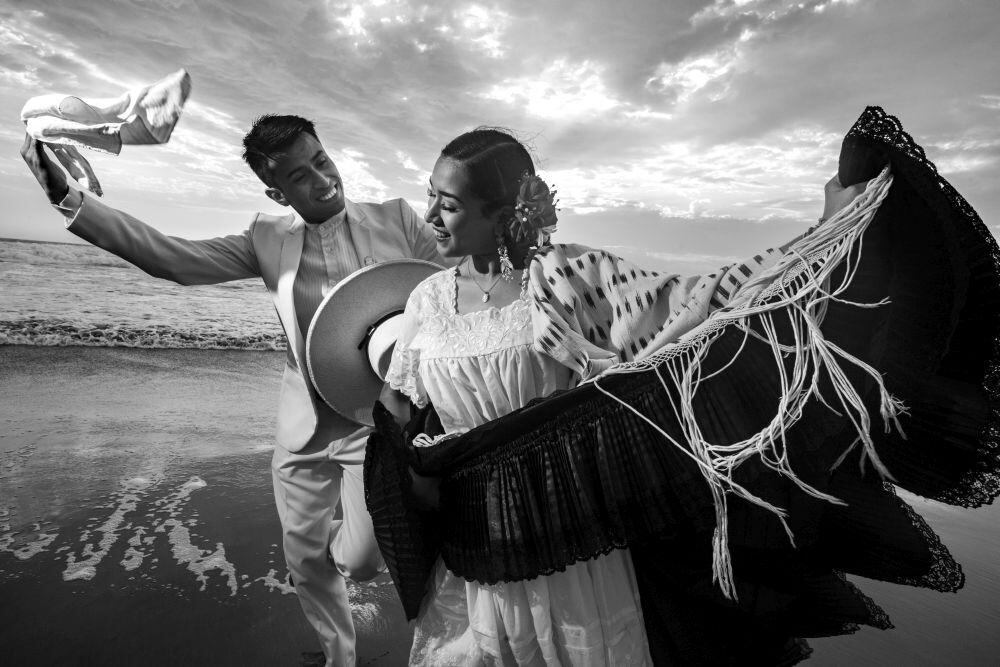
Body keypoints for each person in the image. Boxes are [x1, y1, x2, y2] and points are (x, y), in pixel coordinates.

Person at [374, 127, 866, 665]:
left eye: (447, 205)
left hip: (570, 532)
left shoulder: (569, 278)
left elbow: (697, 305)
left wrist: (825, 231)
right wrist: (419, 473)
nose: (428, 217)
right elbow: (397, 400)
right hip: (475, 532)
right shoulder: (428, 299)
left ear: (502, 215)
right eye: (430, 197)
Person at [19, 114, 444, 667]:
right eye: (299, 175)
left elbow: (445, 292)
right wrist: (68, 196)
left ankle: (347, 544)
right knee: (303, 560)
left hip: (376, 426)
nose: (321, 179)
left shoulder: (398, 220)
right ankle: (341, 657)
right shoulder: (267, 238)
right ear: (276, 190)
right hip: (303, 428)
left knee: (363, 559)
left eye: (321, 160)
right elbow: (172, 259)